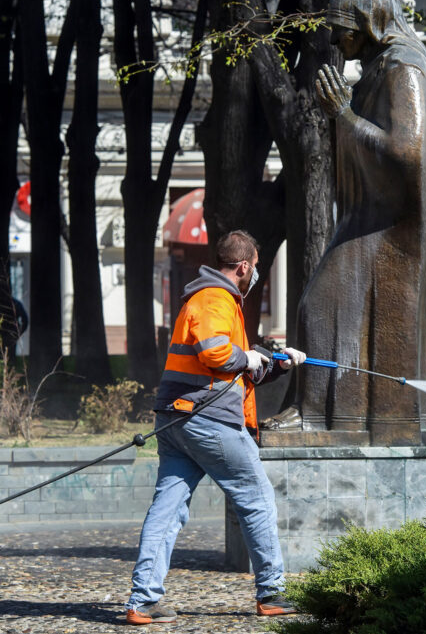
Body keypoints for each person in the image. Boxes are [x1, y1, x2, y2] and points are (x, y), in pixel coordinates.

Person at [266, 0, 426, 443]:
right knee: (331, 306)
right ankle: (341, 415)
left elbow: (408, 152)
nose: (335, 40)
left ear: (372, 23)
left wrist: (344, 117)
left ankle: (321, 418)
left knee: (321, 304)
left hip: (393, 225)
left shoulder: (402, 67)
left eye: (343, 29)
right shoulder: (389, 65)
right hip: (380, 217)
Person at [124, 230, 306, 625]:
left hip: (178, 421)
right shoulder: (214, 297)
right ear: (243, 266)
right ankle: (272, 592)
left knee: (168, 510)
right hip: (205, 421)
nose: (255, 274)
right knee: (257, 499)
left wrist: (277, 362)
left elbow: (232, 372)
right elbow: (216, 352)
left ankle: (143, 602)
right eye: (255, 267)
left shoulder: (213, 300)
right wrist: (247, 357)